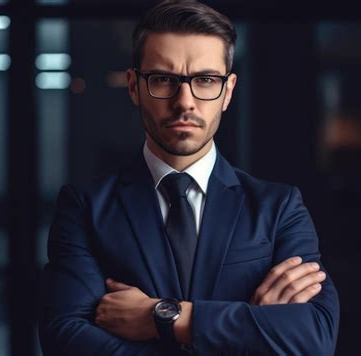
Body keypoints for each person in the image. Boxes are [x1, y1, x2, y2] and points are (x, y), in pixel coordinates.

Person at [39, 0, 339, 354]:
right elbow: (67, 339)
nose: (185, 101)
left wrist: (164, 317)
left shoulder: (279, 208)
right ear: (134, 86)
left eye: (206, 80)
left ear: (227, 91)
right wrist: (246, 329)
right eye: (163, 79)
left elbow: (313, 338)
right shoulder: (84, 207)